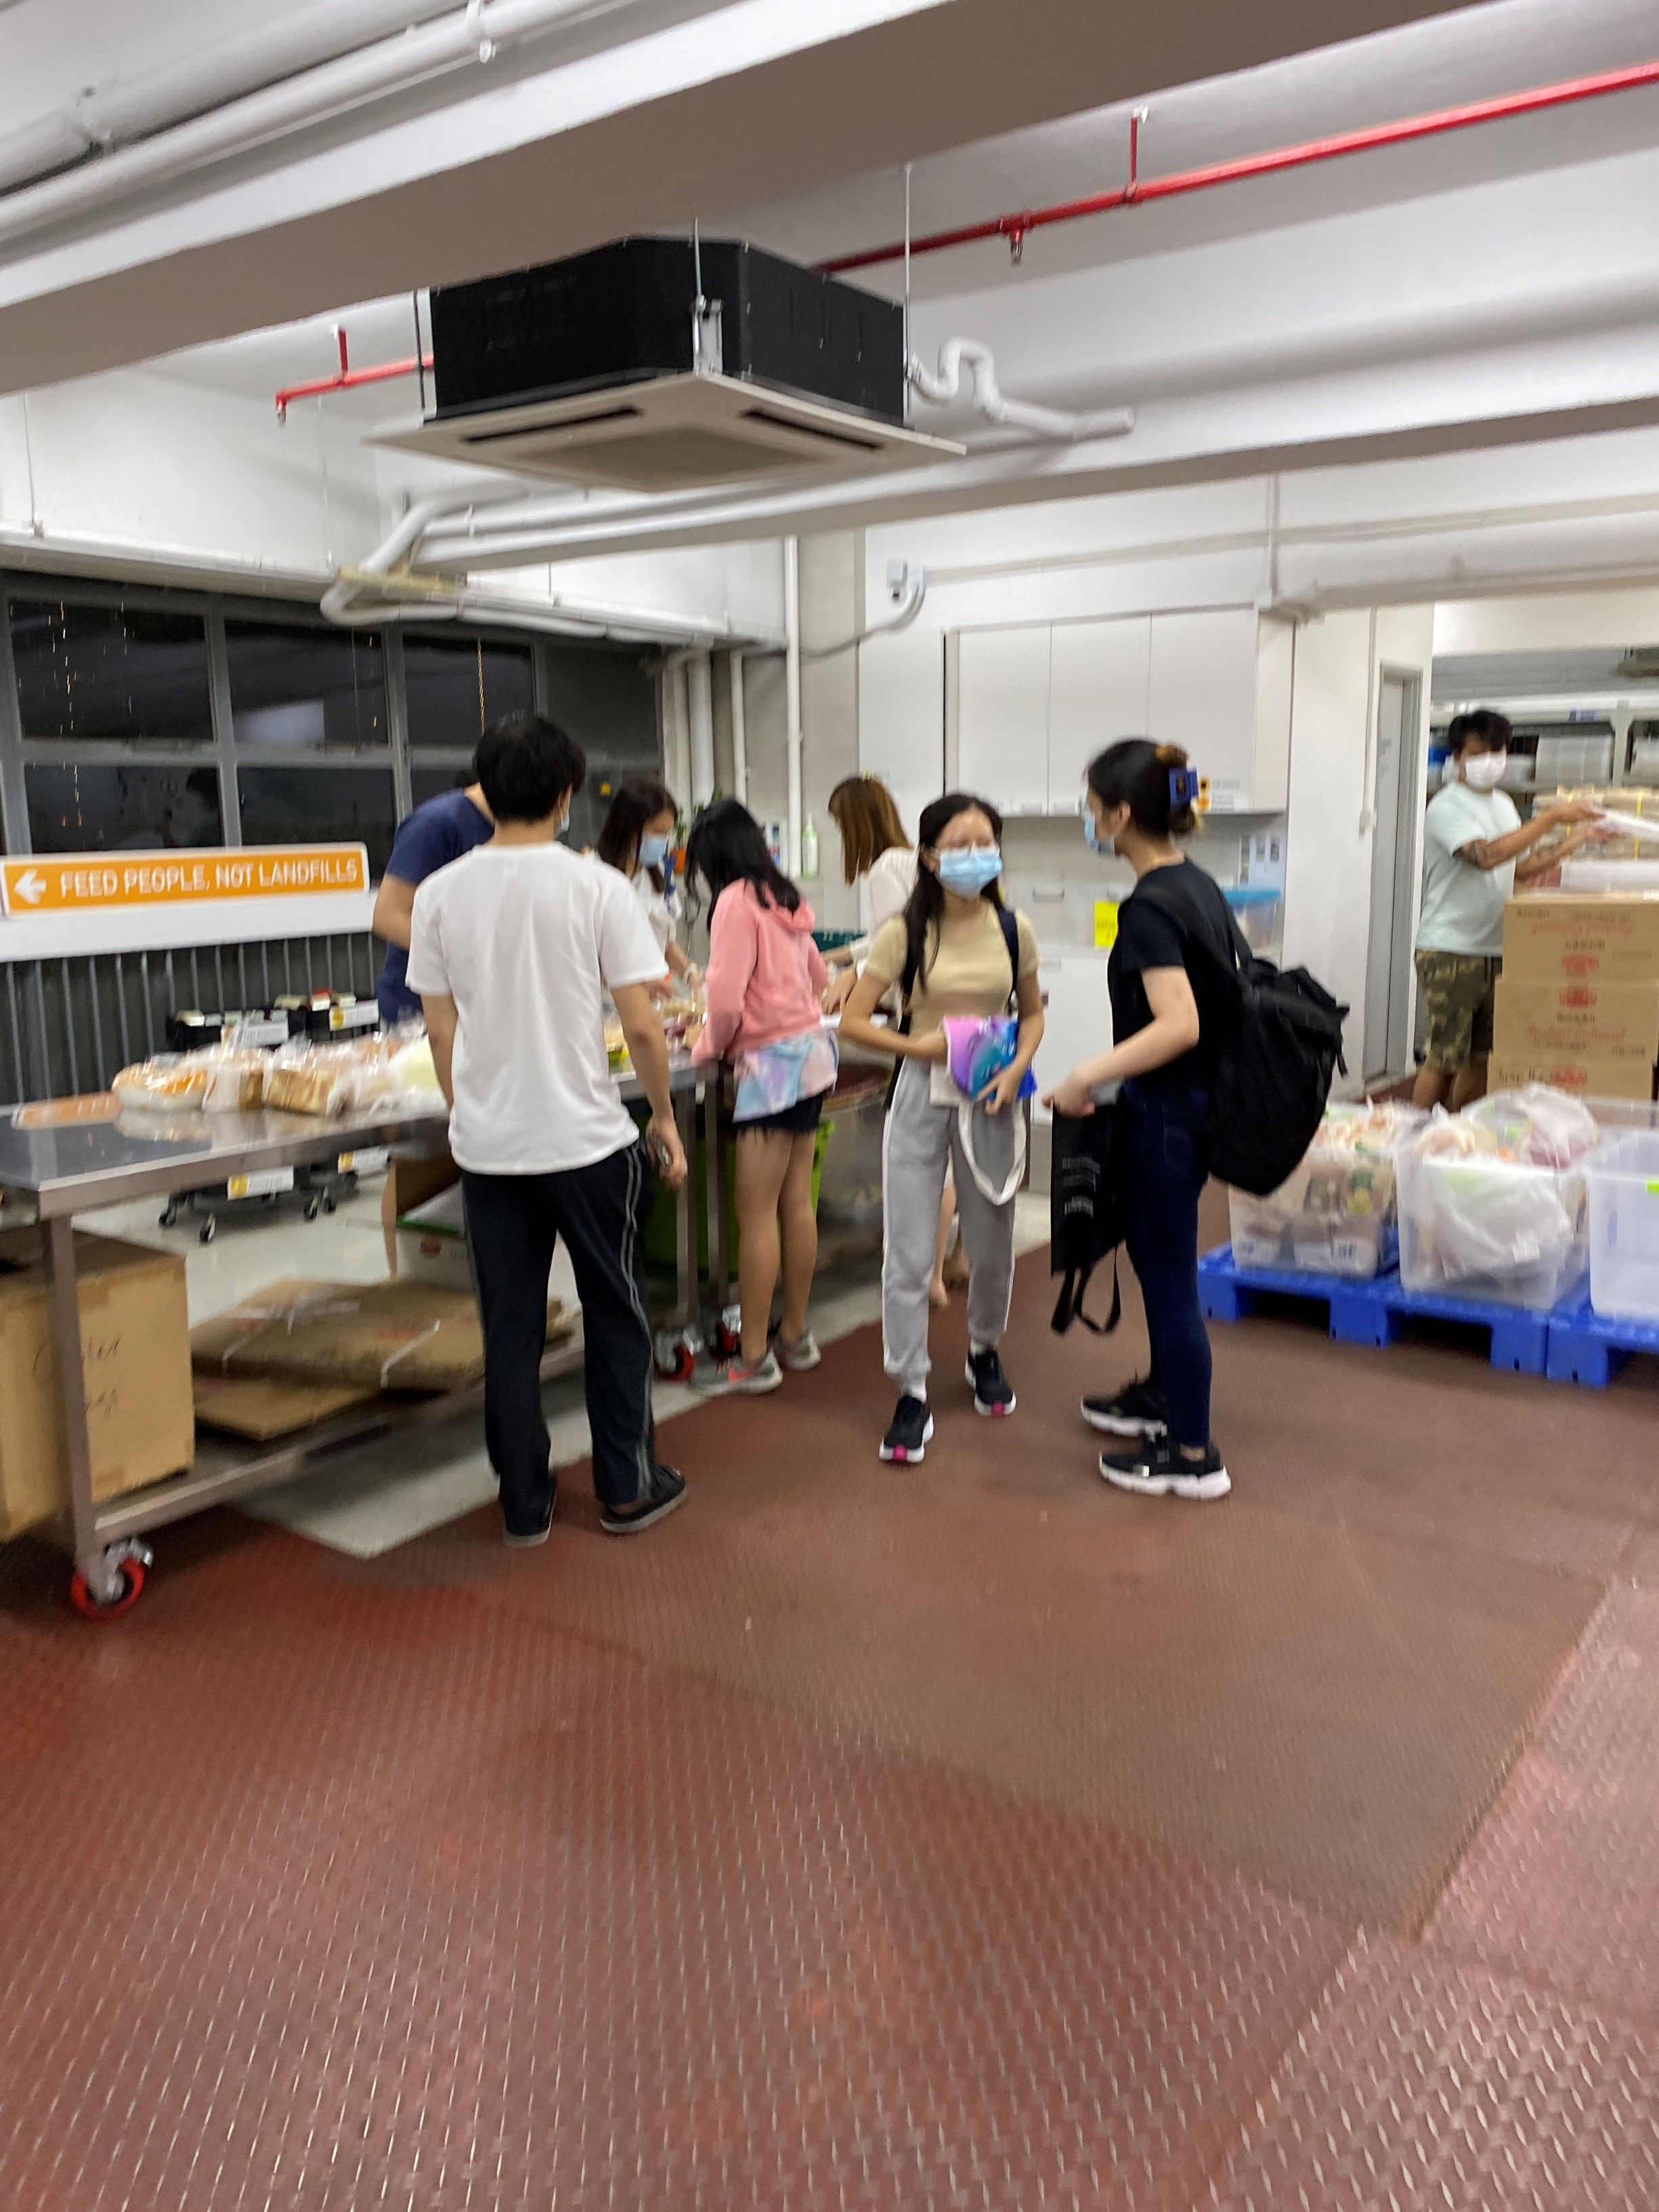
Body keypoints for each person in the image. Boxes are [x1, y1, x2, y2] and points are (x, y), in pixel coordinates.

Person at [408, 713, 691, 1547]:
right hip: (588, 1144)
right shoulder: (596, 886)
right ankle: (628, 1485)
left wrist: (473, 1115)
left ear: (484, 793)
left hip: (491, 1153)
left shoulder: (439, 894)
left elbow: (440, 1030)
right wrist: (664, 1116)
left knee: (510, 1328)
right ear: (567, 794)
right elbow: (641, 1027)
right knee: (614, 1311)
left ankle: (524, 1505)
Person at [1044, 738, 1234, 1504]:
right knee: (1164, 1271)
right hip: (1185, 1108)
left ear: (1120, 815)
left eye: (1093, 809)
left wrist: (1086, 1071)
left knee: (1167, 1281)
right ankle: (1162, 1393)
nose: (1090, 820)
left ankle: (1191, 1451)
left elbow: (1179, 1022)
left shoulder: (1151, 905)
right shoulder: (1196, 885)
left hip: (1166, 1117)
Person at [839, 792, 1043, 1465]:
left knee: (991, 1236)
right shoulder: (904, 931)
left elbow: (1032, 1013)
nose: (973, 854)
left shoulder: (1013, 928)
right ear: (928, 855)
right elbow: (854, 1020)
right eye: (957, 844)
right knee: (907, 1246)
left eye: (984, 840)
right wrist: (917, 1046)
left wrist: (1016, 1068)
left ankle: (983, 1349)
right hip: (922, 1093)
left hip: (990, 1092)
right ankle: (911, 1386)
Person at [683, 798, 835, 1396]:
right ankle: (794, 1336)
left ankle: (752, 1357)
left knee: (755, 1215)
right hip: (812, 1058)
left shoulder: (734, 903)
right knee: (797, 1204)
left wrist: (704, 1049)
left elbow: (722, 1001)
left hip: (770, 1069)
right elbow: (820, 979)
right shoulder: (785, 895)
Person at [1412, 709, 1606, 1111]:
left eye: (1497, 751)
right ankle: (1411, 1140)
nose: (1491, 760)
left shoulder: (1503, 805)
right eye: (1480, 752)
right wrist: (1551, 817)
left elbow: (1522, 868)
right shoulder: (1447, 808)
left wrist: (1577, 839)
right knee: (1445, 1058)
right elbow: (1485, 856)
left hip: (1497, 949)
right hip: (1451, 950)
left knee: (1482, 1058)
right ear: (1458, 758)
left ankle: (1461, 1136)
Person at [823, 774, 966, 1309]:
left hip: (921, 1017)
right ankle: (957, 1259)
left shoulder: (884, 867)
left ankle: (924, 1275)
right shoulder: (910, 861)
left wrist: (853, 977)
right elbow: (895, 933)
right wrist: (844, 959)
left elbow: (892, 945)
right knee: (958, 1148)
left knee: (928, 1155)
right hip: (950, 1008)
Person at [373, 775, 494, 1025]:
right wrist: (463, 957)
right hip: (418, 1013)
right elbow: (388, 917)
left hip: (480, 1010)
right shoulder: (436, 824)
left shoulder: (512, 831)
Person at [595, 778, 701, 992]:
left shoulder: (660, 873)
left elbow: (665, 942)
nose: (662, 842)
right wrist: (638, 984)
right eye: (657, 832)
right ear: (629, 828)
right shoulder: (594, 876)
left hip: (656, 995)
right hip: (609, 1000)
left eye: (667, 834)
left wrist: (690, 974)